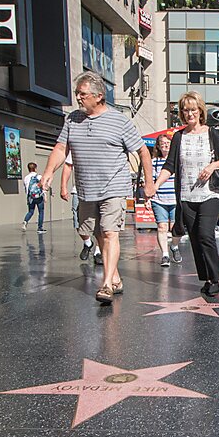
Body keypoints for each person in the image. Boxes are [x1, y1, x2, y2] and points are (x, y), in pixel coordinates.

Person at [42, 71, 151, 304]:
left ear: (99, 96)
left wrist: (149, 183)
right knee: (98, 233)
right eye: (77, 94)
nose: (78, 98)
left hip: (114, 185)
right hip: (86, 188)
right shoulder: (72, 120)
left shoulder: (120, 121)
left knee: (110, 233)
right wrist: (49, 172)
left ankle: (106, 285)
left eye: (82, 94)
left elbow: (142, 150)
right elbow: (62, 148)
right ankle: (117, 278)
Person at [147, 91, 219, 296]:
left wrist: (212, 166)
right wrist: (155, 184)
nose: (189, 113)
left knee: (205, 234)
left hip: (210, 193)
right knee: (194, 238)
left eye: (193, 109)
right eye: (185, 110)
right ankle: (206, 279)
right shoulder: (178, 137)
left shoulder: (210, 133)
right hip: (186, 195)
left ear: (200, 111)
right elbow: (170, 165)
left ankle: (215, 279)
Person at [147, 133, 182, 267]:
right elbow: (150, 181)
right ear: (159, 147)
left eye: (168, 143)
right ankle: (165, 255)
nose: (165, 146)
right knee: (162, 227)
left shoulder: (177, 161)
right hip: (159, 199)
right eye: (163, 144)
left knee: (175, 227)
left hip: (174, 199)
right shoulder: (154, 162)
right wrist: (148, 198)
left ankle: (174, 246)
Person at [21, 162, 46, 233]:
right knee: (41, 211)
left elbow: (26, 188)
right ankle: (40, 228)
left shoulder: (26, 178)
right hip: (38, 196)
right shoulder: (38, 176)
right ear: (35, 168)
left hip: (30, 197)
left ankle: (25, 221)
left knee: (31, 211)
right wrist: (44, 194)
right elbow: (42, 185)